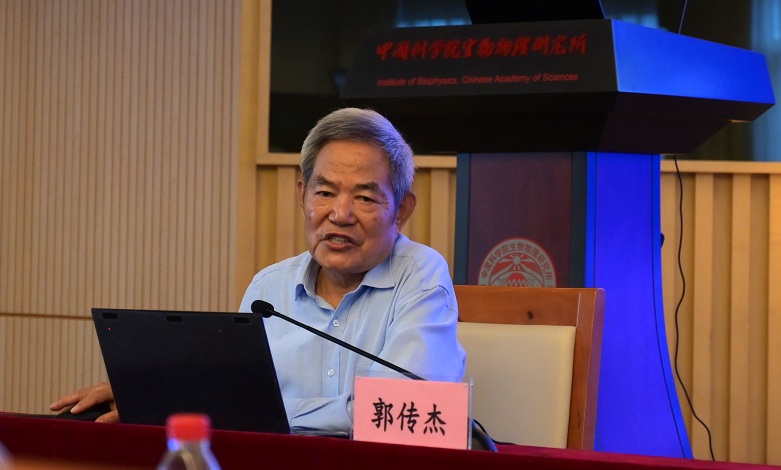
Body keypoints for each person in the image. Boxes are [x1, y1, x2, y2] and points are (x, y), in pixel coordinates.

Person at [49, 108, 466, 433]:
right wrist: (158, 396)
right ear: (302, 196)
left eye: (365, 198)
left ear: (402, 210)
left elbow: (402, 411)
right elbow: (232, 401)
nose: (340, 214)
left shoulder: (420, 276)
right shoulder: (270, 288)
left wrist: (249, 408)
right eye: (324, 192)